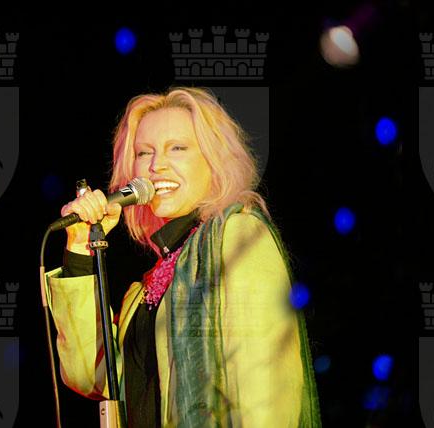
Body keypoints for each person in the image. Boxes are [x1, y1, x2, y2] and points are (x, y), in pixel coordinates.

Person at [46, 87, 321, 427]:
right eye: (144, 153)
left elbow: (264, 388)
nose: (157, 165)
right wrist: (80, 247)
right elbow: (91, 376)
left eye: (177, 148)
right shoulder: (148, 288)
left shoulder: (237, 236)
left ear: (215, 160)